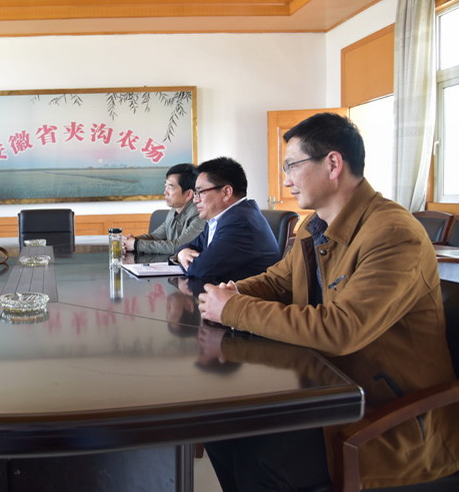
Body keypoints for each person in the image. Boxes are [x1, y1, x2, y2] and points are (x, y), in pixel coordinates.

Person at [198, 113, 459, 490]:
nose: (286, 179)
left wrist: (234, 309)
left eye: (292, 165)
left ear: (333, 164)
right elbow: (278, 280)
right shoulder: (314, 225)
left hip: (388, 418)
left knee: (260, 459)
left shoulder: (393, 234)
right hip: (328, 389)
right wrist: (232, 292)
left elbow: (342, 329)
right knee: (222, 429)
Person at [175, 157, 279, 282]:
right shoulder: (221, 218)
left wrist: (183, 257)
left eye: (200, 192)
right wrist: (182, 253)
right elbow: (191, 246)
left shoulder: (240, 223)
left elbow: (199, 269)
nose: (195, 200)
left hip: (245, 294)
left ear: (226, 192)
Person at [123, 163, 206, 254]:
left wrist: (136, 244)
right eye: (165, 186)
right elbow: (154, 237)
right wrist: (130, 241)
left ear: (188, 194)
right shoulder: (173, 211)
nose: (165, 192)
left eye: (170, 187)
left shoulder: (200, 215)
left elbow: (178, 246)